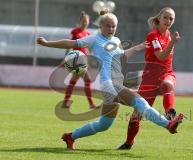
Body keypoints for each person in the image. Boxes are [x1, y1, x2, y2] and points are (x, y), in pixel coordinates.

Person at [37, 9, 184, 150]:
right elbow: (71, 43)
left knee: (104, 125)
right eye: (108, 25)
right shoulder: (95, 38)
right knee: (140, 102)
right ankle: (168, 124)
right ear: (101, 26)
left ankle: (70, 136)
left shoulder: (116, 40)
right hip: (109, 84)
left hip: (114, 85)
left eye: (114, 26)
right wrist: (47, 43)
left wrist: (137, 48)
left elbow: (121, 57)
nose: (111, 28)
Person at [118, 7, 181, 150]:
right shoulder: (153, 36)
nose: (169, 21)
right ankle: (128, 143)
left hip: (166, 73)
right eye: (166, 17)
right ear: (159, 18)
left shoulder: (169, 34)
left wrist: (172, 41)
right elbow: (160, 56)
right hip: (150, 78)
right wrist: (173, 43)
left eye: (171, 18)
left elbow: (165, 60)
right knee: (137, 115)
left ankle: (170, 113)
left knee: (167, 84)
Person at [63, 11, 97, 109]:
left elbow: (88, 47)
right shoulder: (75, 32)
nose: (85, 23)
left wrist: (90, 56)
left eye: (86, 22)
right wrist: (66, 56)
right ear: (80, 22)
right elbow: (69, 43)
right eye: (83, 21)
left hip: (83, 59)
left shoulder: (88, 33)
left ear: (89, 22)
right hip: (76, 59)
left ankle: (65, 102)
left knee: (74, 80)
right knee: (87, 80)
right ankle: (91, 104)